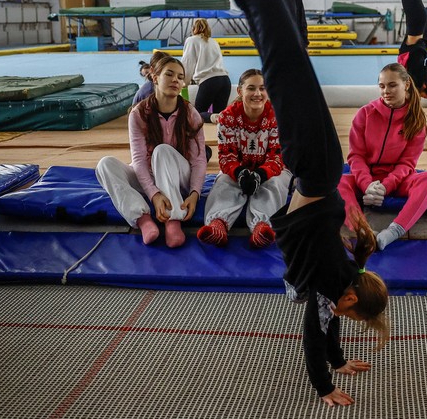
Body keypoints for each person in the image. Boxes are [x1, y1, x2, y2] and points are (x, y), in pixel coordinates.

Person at [197, 0, 389, 407]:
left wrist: (339, 359)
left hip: (322, 170)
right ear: (350, 296)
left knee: (294, 71)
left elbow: (331, 324)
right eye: (350, 312)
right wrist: (325, 384)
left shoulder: (344, 280)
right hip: (315, 170)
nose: (341, 316)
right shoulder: (331, 286)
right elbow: (313, 336)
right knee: (285, 75)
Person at [96, 52, 207, 248]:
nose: (176, 80)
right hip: (149, 178)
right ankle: (143, 219)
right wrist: (154, 194)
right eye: (169, 74)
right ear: (155, 78)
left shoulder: (190, 113)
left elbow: (199, 160)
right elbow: (138, 160)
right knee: (105, 165)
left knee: (162, 151)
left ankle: (173, 219)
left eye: (180, 77)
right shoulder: (139, 113)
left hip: (177, 178)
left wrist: (194, 193)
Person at [338, 63, 427, 251]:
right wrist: (366, 184)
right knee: (339, 182)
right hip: (366, 179)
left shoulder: (416, 120)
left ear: (406, 84)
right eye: (382, 86)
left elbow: (407, 163)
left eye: (392, 85)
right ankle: (363, 231)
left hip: (397, 180)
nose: (386, 91)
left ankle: (393, 232)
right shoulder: (365, 114)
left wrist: (385, 187)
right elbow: (356, 156)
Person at [197, 69, 292, 249]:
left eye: (262, 89)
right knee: (224, 182)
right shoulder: (227, 117)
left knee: (274, 185)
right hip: (239, 168)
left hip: (271, 170)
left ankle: (261, 226)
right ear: (240, 91)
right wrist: (240, 173)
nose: (257, 94)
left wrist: (261, 175)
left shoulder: (277, 117)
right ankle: (218, 223)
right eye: (251, 88)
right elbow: (226, 156)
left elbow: (277, 157)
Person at [181, 18, 232, 124]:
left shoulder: (191, 40)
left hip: (209, 81)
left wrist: (184, 83)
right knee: (220, 119)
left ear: (193, 28)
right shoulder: (214, 42)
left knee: (198, 114)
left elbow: (188, 62)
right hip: (225, 80)